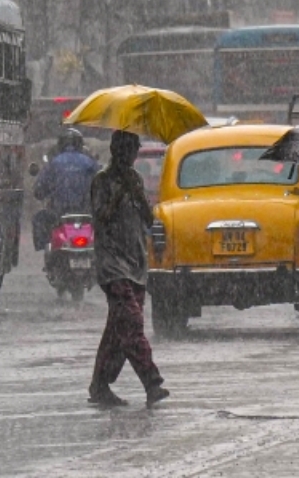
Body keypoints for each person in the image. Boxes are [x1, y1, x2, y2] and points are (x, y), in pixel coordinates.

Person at [87, 130, 169, 408]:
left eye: (135, 150)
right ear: (116, 151)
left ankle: (100, 385)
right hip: (113, 265)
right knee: (131, 323)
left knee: (117, 331)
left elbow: (148, 218)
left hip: (136, 263)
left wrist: (138, 196)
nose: (132, 156)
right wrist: (119, 193)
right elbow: (100, 217)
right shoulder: (102, 181)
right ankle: (151, 380)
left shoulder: (135, 179)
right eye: (129, 150)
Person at [31, 128, 100, 251]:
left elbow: (39, 189)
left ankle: (46, 249)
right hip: (87, 211)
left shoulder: (54, 164)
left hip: (59, 212)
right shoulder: (90, 163)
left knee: (38, 219)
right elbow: (101, 185)